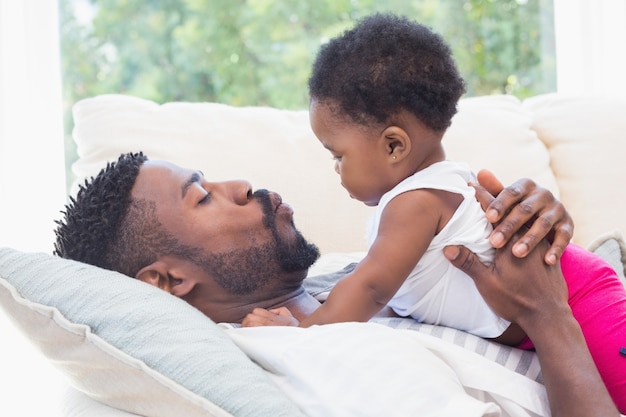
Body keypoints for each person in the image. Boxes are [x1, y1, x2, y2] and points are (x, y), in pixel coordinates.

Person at [241, 13, 626, 411]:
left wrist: (301, 331)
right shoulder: (434, 190)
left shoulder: (415, 203)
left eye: (339, 155)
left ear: (394, 146)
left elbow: (372, 288)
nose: (336, 169)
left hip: (580, 299)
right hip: (566, 300)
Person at [53, 152, 617, 415]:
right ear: (168, 280)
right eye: (201, 196)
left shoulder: (346, 283)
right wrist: (549, 313)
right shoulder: (319, 360)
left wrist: (537, 227)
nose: (243, 183)